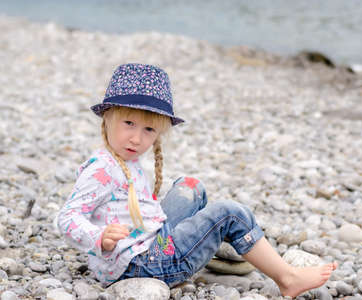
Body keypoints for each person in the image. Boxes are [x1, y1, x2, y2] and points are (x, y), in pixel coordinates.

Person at [57, 63, 337, 297]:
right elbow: (67, 217)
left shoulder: (123, 159)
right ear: (107, 117)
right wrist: (99, 237)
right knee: (230, 213)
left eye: (148, 129)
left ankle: (208, 244)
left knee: (190, 187)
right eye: (128, 123)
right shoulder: (102, 170)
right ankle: (287, 278)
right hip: (143, 265)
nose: (136, 138)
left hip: (147, 243)